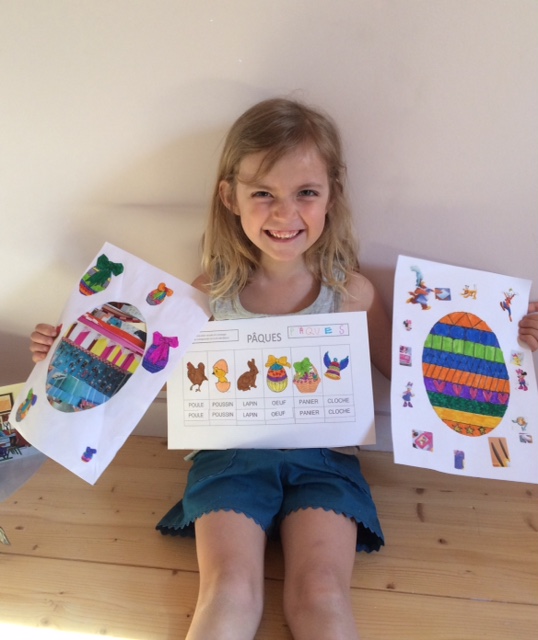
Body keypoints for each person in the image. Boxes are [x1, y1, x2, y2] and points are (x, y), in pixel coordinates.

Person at [28, 98, 538, 640]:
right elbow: (145, 372)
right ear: (230, 197)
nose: (284, 213)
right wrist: (68, 355)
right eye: (263, 194)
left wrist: (512, 347)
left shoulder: (352, 294)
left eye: (306, 193)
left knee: (322, 592)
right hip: (230, 459)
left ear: (331, 195)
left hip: (326, 464)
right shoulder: (205, 296)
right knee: (228, 590)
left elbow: (411, 372)